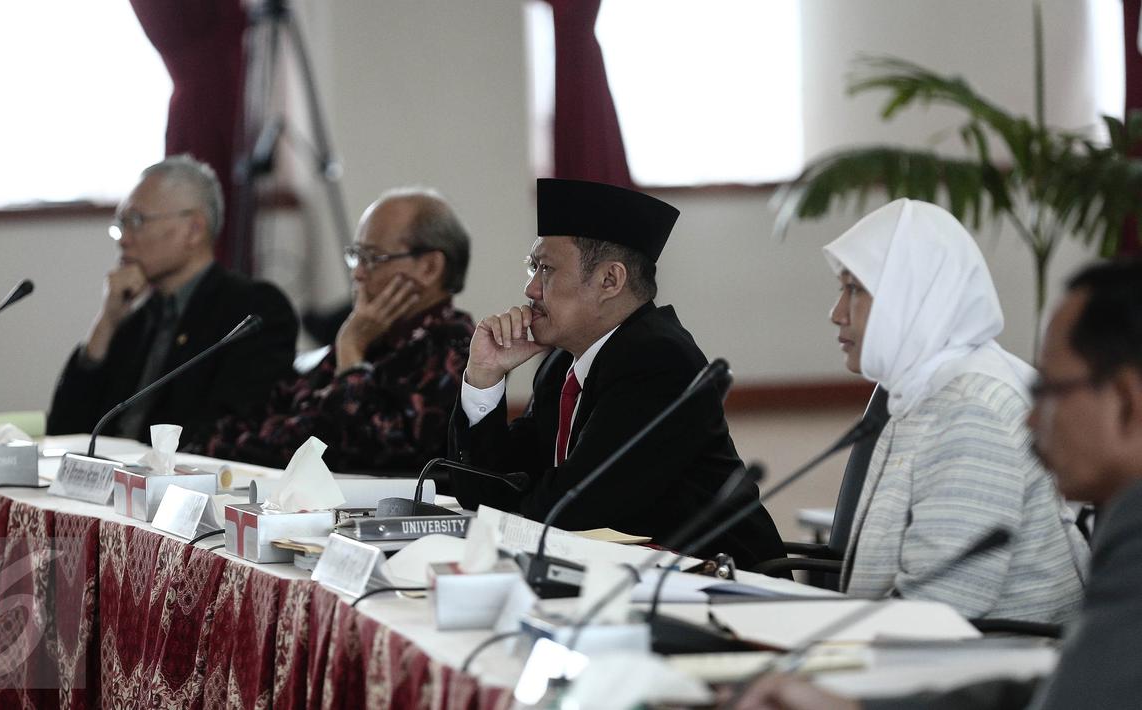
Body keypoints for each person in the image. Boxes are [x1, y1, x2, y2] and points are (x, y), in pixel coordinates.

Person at [735, 258, 1142, 710]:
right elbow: (1041, 692)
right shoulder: (1125, 512)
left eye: (1048, 389)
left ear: (1125, 400)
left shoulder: (1134, 531)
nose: (1029, 416)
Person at [448, 178, 784, 568]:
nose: (531, 288)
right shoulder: (561, 365)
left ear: (610, 280)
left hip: (725, 588)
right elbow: (485, 491)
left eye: (546, 270)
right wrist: (485, 377)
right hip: (626, 582)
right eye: (532, 267)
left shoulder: (659, 361)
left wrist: (507, 506)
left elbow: (575, 508)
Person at [825, 199, 1087, 624]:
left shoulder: (971, 408)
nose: (836, 313)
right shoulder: (925, 388)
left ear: (910, 295)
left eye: (854, 289)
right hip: (932, 657)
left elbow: (939, 610)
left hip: (996, 670)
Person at [192, 187, 474, 472]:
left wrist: (351, 353)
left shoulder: (458, 349)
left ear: (429, 267)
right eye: (356, 256)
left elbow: (371, 450)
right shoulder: (375, 334)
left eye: (372, 258)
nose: (357, 273)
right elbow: (281, 424)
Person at [46, 155, 298, 444]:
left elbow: (226, 434)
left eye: (137, 221)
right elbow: (62, 433)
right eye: (121, 224)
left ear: (193, 229)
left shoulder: (252, 311)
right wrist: (105, 324)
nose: (123, 239)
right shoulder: (136, 320)